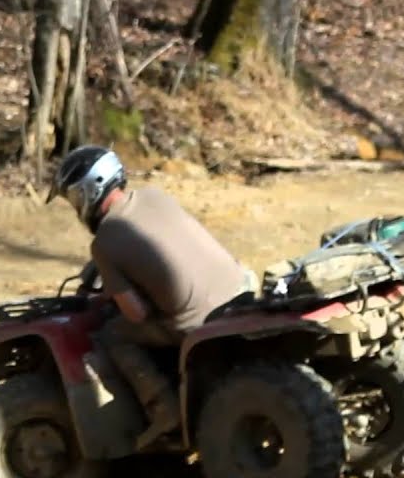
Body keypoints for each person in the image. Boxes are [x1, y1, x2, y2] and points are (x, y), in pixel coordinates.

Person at [46, 145, 256, 449]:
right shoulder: (156, 196)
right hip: (238, 291)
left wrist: (117, 296)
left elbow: (137, 314)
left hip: (197, 321)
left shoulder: (104, 242)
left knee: (113, 334)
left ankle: (164, 409)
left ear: (85, 192)